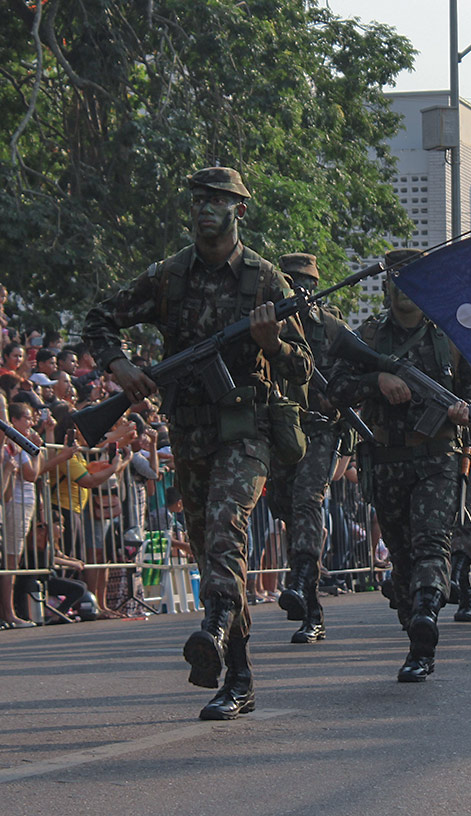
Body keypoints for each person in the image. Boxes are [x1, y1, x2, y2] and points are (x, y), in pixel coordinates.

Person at [83, 166, 310, 720]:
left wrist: (272, 344)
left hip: (247, 431)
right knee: (211, 546)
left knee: (227, 529)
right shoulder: (169, 276)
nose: (204, 208)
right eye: (198, 200)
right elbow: (99, 320)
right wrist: (121, 367)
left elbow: (303, 369)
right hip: (190, 432)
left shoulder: (266, 281)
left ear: (240, 210)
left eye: (218, 200)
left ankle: (212, 625)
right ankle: (238, 674)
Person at [327, 248, 471, 681]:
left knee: (432, 544)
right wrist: (375, 380)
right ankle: (415, 616)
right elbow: (334, 385)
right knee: (402, 556)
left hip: (437, 458)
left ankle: (425, 623)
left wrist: (468, 407)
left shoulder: (450, 336)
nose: (405, 289)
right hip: (386, 461)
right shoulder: (369, 337)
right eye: (397, 279)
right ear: (387, 285)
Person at [266, 252, 346, 645]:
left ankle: (300, 581)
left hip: (318, 427)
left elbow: (351, 375)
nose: (300, 288)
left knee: (306, 501)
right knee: (285, 509)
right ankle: (310, 604)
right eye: (292, 281)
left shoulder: (330, 327)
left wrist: (337, 395)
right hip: (280, 429)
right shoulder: (266, 324)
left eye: (306, 283)